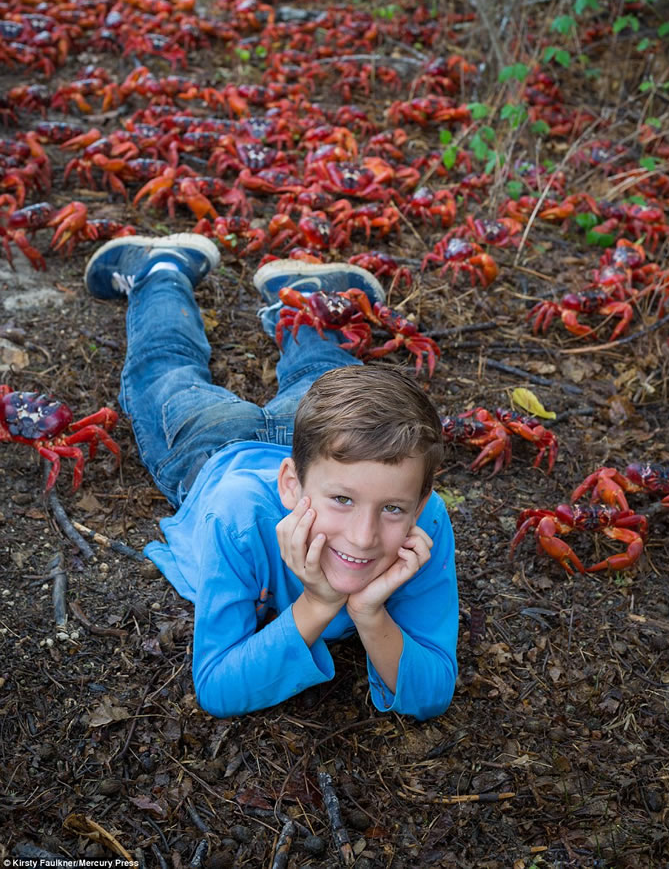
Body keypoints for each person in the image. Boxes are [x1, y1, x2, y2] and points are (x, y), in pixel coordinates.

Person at [85, 234, 459, 720]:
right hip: (214, 449)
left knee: (325, 375)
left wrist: (369, 612)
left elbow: (433, 693)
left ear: (422, 498)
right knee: (163, 370)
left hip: (325, 450)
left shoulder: (426, 520)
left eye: (392, 509)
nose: (364, 538)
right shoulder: (238, 520)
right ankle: (162, 269)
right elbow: (216, 687)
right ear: (291, 486)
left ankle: (304, 290)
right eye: (343, 502)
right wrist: (320, 602)